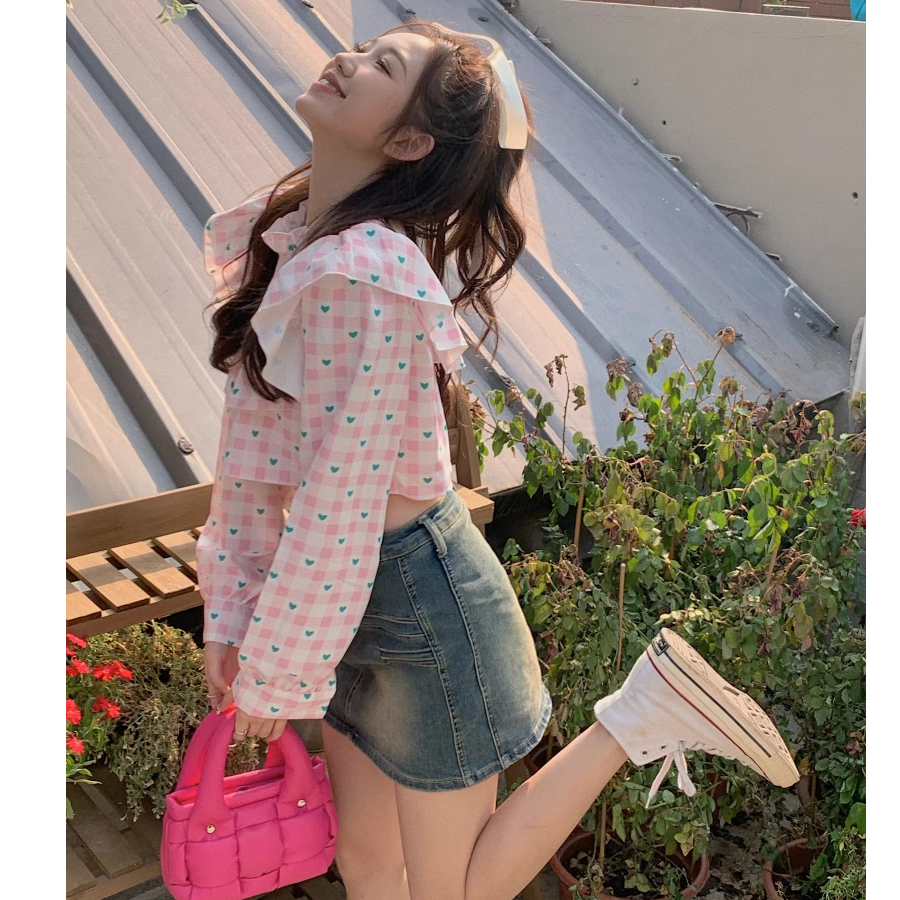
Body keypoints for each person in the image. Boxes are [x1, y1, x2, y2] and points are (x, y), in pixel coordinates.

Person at [197, 20, 799, 900]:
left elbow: (340, 498)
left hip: (421, 601)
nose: (344, 60)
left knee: (455, 890)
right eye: (366, 51)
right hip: (349, 600)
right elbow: (252, 456)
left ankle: (640, 712)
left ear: (410, 140)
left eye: (380, 64)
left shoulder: (368, 275)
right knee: (366, 864)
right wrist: (232, 615)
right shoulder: (295, 242)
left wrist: (274, 668)